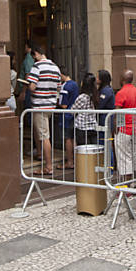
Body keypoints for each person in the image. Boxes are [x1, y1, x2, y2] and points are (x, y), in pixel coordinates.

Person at [26, 44, 61, 176]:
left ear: (36, 54)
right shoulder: (55, 67)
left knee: (44, 136)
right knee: (43, 133)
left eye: (34, 56)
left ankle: (48, 166)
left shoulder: (37, 67)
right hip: (50, 105)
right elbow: (58, 88)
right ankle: (43, 157)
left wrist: (28, 83)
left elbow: (32, 87)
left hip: (40, 105)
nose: (34, 59)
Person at [113, 70, 136, 179]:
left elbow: (117, 112)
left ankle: (126, 187)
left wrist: (115, 127)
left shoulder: (121, 93)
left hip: (124, 130)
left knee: (124, 158)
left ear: (122, 79)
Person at [56, 67, 79, 169]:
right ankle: (76, 160)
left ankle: (70, 161)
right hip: (73, 114)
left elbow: (64, 105)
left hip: (66, 115)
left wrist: (57, 103)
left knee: (67, 139)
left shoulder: (65, 87)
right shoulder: (74, 84)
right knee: (73, 138)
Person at [71, 73, 100, 147]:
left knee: (83, 151)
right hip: (93, 126)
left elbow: (73, 110)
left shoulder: (82, 97)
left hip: (82, 127)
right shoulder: (95, 95)